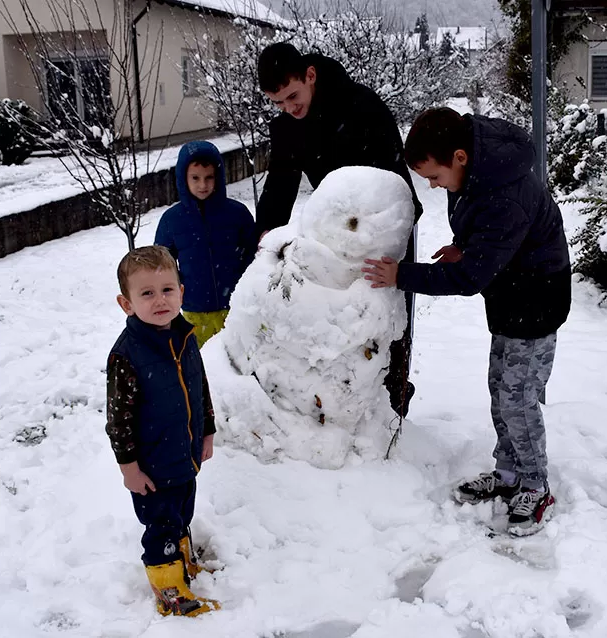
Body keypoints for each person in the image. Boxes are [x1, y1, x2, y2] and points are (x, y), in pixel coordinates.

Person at [362, 107, 571, 535]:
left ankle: (536, 484)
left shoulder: (505, 194)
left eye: (435, 177)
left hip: (536, 299)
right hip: (511, 293)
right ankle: (509, 474)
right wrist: (466, 244)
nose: (434, 186)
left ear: (459, 157)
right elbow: (479, 225)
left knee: (518, 398)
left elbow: (469, 278)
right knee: (501, 390)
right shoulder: (475, 168)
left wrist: (402, 275)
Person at [255, 41, 422, 417]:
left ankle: (393, 403)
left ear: (310, 75)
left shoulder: (361, 106)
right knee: (345, 319)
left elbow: (394, 177)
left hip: (386, 228)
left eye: (293, 96)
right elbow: (280, 183)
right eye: (278, 102)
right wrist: (266, 231)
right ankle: (350, 407)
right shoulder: (288, 126)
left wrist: (385, 236)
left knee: (388, 319)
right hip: (334, 234)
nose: (289, 108)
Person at [105, 246, 220, 616]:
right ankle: (169, 591)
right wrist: (129, 468)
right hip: (152, 467)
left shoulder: (184, 336)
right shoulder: (127, 355)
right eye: (147, 293)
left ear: (181, 292)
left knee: (181, 514)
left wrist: (207, 431)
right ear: (126, 304)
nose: (160, 300)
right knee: (161, 526)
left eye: (167, 289)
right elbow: (118, 419)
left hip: (184, 455)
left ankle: (181, 565)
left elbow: (199, 386)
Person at [155, 141, 257, 347]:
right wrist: (178, 291)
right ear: (183, 178)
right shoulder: (172, 220)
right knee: (201, 360)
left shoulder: (237, 213)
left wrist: (247, 283)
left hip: (236, 306)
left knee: (239, 356)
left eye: (209, 177)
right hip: (195, 311)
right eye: (195, 178)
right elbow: (162, 264)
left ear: (218, 177)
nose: (203, 185)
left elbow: (253, 254)